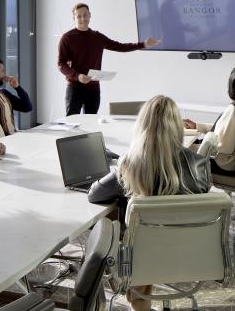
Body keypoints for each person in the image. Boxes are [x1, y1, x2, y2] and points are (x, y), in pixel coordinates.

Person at [88, 95, 212, 311]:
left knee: (114, 220)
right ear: (176, 126)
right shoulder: (198, 163)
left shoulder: (130, 164)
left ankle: (133, 298)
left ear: (142, 125)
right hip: (190, 249)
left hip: (142, 256)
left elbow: (94, 195)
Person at [57, 2, 160, 115]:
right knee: (72, 123)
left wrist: (143, 44)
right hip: (74, 88)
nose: (83, 18)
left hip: (93, 88)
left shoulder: (97, 37)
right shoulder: (67, 38)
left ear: (90, 15)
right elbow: (61, 64)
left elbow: (120, 46)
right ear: (74, 18)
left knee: (91, 122)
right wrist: (77, 76)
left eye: (85, 15)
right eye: (79, 16)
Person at [184, 67, 235, 176]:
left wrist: (200, 144)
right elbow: (227, 131)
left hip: (224, 162)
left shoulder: (233, 111)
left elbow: (221, 149)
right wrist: (197, 126)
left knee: (179, 150)